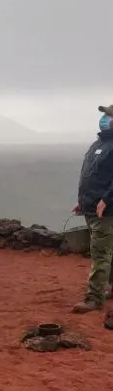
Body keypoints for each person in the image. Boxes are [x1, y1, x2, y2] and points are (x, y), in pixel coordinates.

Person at [72, 104, 113, 313]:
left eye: (109, 115)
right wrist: (82, 201)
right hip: (91, 209)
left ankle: (94, 298)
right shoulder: (97, 144)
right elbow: (88, 176)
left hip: (105, 212)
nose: (105, 119)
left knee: (100, 254)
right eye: (105, 115)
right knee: (107, 251)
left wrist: (106, 199)